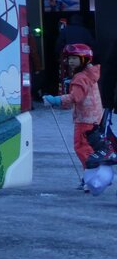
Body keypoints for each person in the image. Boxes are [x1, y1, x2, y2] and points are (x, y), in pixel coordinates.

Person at [44, 43, 103, 175]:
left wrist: (55, 100)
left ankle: (92, 176)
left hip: (84, 119)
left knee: (81, 147)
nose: (71, 61)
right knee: (88, 147)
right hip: (94, 118)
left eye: (75, 58)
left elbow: (75, 97)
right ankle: (92, 175)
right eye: (69, 58)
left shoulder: (80, 77)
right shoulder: (90, 73)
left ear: (84, 59)